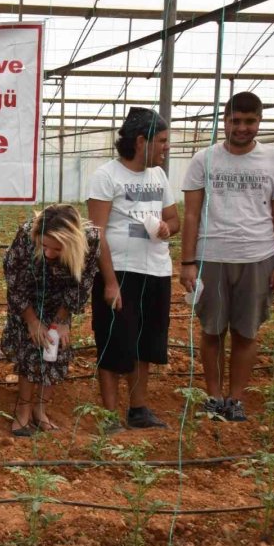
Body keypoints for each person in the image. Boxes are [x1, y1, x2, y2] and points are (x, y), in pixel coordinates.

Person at [181, 92, 274, 421]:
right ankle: (214, 396)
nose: (242, 128)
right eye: (235, 121)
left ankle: (236, 398)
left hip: (258, 256)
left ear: (259, 121)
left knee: (246, 332)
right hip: (211, 255)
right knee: (212, 330)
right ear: (225, 120)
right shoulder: (204, 159)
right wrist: (187, 262)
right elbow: (191, 214)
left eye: (249, 121)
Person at [87, 107, 180, 432]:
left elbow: (174, 219)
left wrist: (166, 228)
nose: (167, 148)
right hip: (120, 272)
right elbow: (96, 233)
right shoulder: (107, 176)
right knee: (114, 340)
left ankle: (138, 409)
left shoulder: (159, 176)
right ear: (142, 141)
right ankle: (110, 415)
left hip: (156, 270)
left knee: (146, 342)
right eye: (163, 141)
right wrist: (110, 282)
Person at [2, 204, 100, 436]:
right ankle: (23, 411)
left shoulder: (91, 240)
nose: (48, 254)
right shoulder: (26, 236)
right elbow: (14, 281)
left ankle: (40, 410)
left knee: (55, 348)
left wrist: (62, 320)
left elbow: (83, 282)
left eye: (57, 249)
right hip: (28, 298)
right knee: (31, 346)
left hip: (60, 300)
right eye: (44, 246)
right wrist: (32, 320)